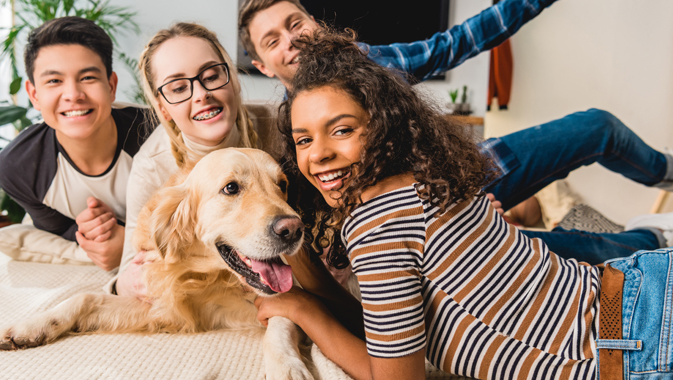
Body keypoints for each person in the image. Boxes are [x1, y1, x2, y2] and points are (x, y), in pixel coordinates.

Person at [256, 29, 673, 380]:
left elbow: (394, 376)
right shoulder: (424, 176)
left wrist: (304, 309)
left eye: (341, 130)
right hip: (639, 291)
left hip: (636, 340)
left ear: (381, 127)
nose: (319, 154)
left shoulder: (376, 224)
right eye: (304, 139)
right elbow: (390, 330)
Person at [238, 0, 673, 262]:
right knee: (565, 248)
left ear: (314, 21)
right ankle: (655, 240)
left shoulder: (376, 62)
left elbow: (459, 41)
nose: (290, 40)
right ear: (262, 65)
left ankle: (665, 171)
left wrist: (461, 196)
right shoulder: (292, 136)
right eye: (272, 40)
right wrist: (462, 216)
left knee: (596, 126)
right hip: (422, 222)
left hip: (465, 172)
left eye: (295, 23)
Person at [110, 22, 258, 297]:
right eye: (178, 88)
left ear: (233, 79)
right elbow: (127, 274)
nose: (201, 94)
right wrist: (131, 281)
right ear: (163, 108)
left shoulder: (281, 126)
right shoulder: (151, 168)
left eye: (212, 76)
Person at [0, 17, 151, 271]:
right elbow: (60, 229)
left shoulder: (156, 134)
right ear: (34, 95)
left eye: (87, 77)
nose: (73, 95)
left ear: (111, 86)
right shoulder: (18, 167)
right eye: (54, 81)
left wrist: (130, 241)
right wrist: (89, 232)